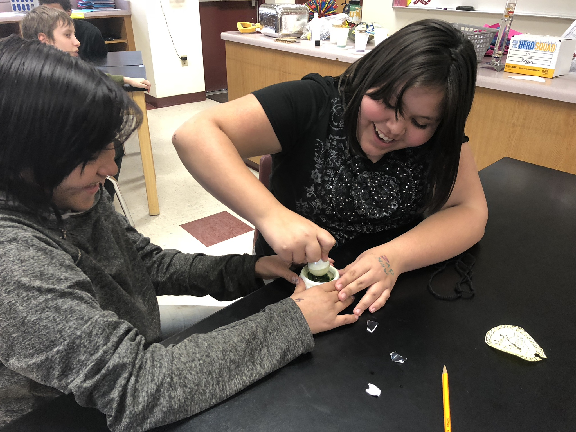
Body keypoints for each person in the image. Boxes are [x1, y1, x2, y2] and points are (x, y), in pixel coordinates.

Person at [0, 36, 357, 430]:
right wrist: (297, 320)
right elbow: (138, 386)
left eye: (110, 149)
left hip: (128, 335)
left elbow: (144, 262)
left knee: (238, 329)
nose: (111, 169)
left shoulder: (65, 190)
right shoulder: (14, 260)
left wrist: (251, 270)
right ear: (24, 154)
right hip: (58, 409)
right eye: (89, 156)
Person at [172, 19, 489, 317]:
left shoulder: (440, 138)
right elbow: (194, 135)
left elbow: (469, 211)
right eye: (389, 104)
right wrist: (271, 215)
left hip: (381, 298)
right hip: (289, 292)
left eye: (420, 122)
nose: (393, 128)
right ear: (371, 76)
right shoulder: (313, 102)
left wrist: (396, 257)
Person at [20, 5, 151, 199]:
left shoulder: (32, 65)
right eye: (68, 36)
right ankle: (99, 201)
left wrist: (126, 80)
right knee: (113, 147)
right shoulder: (53, 80)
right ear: (44, 39)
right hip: (56, 161)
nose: (77, 42)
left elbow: (94, 75)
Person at [39, 0, 108, 62]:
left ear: (69, 12)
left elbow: (101, 65)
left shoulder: (90, 33)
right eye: (45, 13)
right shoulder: (37, 32)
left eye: (56, 13)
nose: (50, 18)